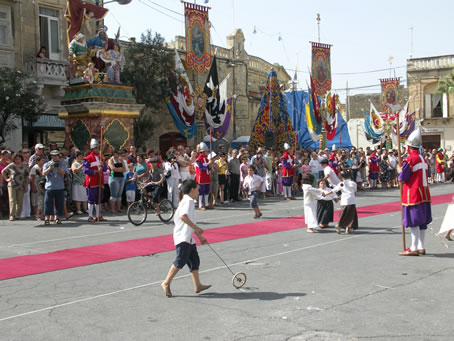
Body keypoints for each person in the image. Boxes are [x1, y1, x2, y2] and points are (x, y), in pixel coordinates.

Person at [161, 179, 211, 298]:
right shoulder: (188, 201)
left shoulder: (187, 201)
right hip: (182, 237)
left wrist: (199, 236)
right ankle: (166, 282)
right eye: (197, 189)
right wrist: (197, 229)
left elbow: (190, 220)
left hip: (188, 237)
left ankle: (197, 285)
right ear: (192, 189)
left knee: (194, 260)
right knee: (181, 260)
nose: (198, 192)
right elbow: (183, 217)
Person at [398, 129, 432, 256]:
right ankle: (421, 246)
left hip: (413, 194)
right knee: (422, 222)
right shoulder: (423, 159)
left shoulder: (410, 159)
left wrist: (399, 171)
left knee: (414, 221)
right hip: (424, 193)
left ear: (409, 147)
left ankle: (413, 247)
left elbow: (403, 177)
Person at [323, 170, 358, 234]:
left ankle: (340, 225)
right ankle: (346, 227)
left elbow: (333, 190)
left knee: (343, 214)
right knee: (351, 215)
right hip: (352, 200)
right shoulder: (353, 183)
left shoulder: (341, 184)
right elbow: (355, 191)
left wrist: (325, 194)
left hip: (344, 201)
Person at [83, 139, 107, 222]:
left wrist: (102, 165)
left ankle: (98, 215)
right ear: (93, 148)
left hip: (100, 181)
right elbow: (86, 170)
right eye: (96, 147)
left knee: (99, 199)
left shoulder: (101, 158)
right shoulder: (87, 158)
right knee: (91, 199)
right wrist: (96, 171)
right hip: (92, 181)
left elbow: (105, 169)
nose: (98, 149)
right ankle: (90, 216)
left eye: (98, 147)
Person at [1, 153, 29, 221]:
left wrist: (26, 186)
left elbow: (27, 176)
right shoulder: (11, 165)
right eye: (16, 159)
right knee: (12, 200)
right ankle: (11, 215)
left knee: (20, 201)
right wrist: (7, 179)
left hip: (21, 185)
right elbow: (3, 171)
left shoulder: (25, 166)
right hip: (12, 184)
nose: (17, 160)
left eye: (19, 159)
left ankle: (17, 215)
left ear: (21, 159)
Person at [42, 150, 66, 225]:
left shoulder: (62, 164)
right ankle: (47, 218)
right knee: (47, 203)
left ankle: (57, 217)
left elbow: (63, 173)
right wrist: (50, 167)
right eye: (53, 155)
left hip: (59, 186)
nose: (55, 157)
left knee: (59, 203)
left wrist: (57, 167)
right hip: (50, 187)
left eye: (56, 155)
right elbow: (43, 173)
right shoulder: (46, 164)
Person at [108, 149, 126, 214]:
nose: (118, 154)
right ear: (114, 153)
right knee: (114, 194)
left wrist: (119, 169)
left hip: (121, 177)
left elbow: (124, 169)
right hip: (113, 177)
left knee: (119, 194)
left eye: (119, 153)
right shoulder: (111, 160)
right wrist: (120, 169)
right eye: (117, 153)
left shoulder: (121, 160)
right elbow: (113, 169)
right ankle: (112, 209)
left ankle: (118, 208)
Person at [195, 142, 211, 210]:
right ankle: (200, 205)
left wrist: (210, 165)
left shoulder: (206, 158)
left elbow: (208, 166)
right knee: (201, 191)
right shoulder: (199, 159)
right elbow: (201, 168)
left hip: (207, 176)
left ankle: (206, 204)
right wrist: (208, 165)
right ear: (203, 151)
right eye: (206, 151)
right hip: (201, 177)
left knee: (207, 190)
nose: (207, 152)